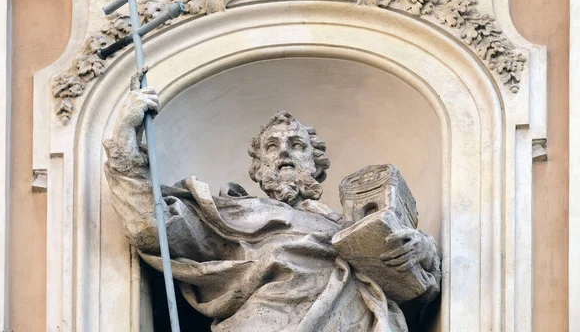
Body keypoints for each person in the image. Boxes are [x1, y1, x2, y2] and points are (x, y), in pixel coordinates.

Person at [103, 76, 440, 332]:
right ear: (258, 166)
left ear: (317, 165)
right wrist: (124, 147)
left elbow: (418, 296)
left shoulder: (352, 226)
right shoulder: (234, 215)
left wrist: (421, 250)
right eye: (272, 147)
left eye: (296, 145)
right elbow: (155, 227)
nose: (283, 154)